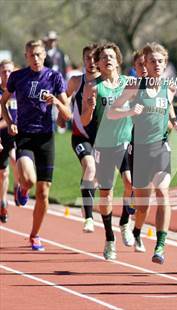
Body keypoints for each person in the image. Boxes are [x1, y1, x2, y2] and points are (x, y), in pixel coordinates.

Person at [108, 42, 177, 264]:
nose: (157, 65)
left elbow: (169, 113)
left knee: (162, 192)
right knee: (143, 205)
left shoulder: (169, 87)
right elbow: (113, 112)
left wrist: (174, 123)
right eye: (152, 61)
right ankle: (138, 229)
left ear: (165, 63)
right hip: (139, 151)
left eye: (161, 61)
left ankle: (160, 245)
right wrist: (131, 110)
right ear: (145, 64)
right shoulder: (134, 87)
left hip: (160, 148)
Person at [0, 40, 71, 250]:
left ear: (44, 55)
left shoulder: (54, 77)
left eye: (39, 54)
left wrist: (56, 103)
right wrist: (11, 123)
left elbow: (67, 114)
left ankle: (34, 234)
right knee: (30, 181)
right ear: (26, 56)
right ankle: (22, 187)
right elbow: (3, 102)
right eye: (32, 55)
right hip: (25, 136)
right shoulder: (18, 77)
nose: (36, 59)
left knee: (43, 193)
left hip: (46, 138)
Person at [81, 42, 134, 260]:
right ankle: (110, 238)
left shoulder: (129, 84)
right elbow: (85, 121)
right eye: (103, 58)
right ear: (99, 64)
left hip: (124, 142)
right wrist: (91, 107)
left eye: (111, 56)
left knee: (131, 183)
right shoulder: (93, 87)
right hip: (103, 145)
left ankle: (124, 223)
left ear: (118, 60)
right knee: (106, 194)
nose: (107, 60)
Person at [66, 44, 100, 233]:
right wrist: (63, 115)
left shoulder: (107, 83)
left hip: (103, 139)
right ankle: (88, 217)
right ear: (83, 59)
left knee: (96, 179)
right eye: (88, 58)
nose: (92, 62)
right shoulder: (75, 82)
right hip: (81, 136)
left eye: (95, 58)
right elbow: (63, 98)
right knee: (90, 166)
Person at [0, 60, 20, 223]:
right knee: (3, 173)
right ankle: (3, 201)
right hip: (3, 136)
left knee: (15, 160)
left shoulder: (19, 89)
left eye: (9, 72)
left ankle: (18, 185)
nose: (7, 75)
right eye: (4, 72)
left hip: (19, 135)